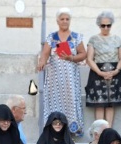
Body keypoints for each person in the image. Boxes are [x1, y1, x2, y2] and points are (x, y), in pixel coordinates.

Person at [37, 8, 86, 137]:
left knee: (70, 102)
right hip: (54, 78)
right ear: (57, 21)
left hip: (70, 78)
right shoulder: (51, 37)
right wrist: (42, 61)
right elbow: (45, 53)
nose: (65, 21)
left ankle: (71, 131)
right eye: (62, 19)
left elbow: (83, 54)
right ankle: (53, 130)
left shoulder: (76, 37)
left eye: (67, 19)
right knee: (54, 103)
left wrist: (71, 58)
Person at [84, 10, 121, 126]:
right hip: (97, 73)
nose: (106, 28)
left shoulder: (117, 39)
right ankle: (99, 131)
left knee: (111, 104)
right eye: (103, 25)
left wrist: (116, 71)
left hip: (115, 74)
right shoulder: (93, 39)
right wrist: (100, 72)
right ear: (99, 25)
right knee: (99, 104)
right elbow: (89, 59)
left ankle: (109, 132)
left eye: (109, 25)